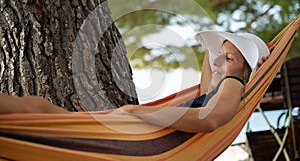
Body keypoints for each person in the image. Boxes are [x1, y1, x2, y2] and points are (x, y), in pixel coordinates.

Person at [0, 30, 270, 133]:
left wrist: (138, 111)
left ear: (245, 71)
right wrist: (231, 51)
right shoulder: (218, 85)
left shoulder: (234, 84)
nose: (217, 62)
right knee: (43, 114)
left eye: (229, 59)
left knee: (41, 113)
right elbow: (210, 65)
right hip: (142, 135)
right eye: (219, 56)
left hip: (143, 132)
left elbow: (210, 120)